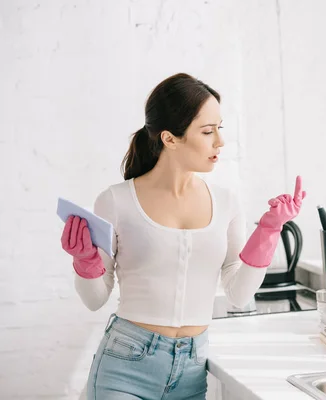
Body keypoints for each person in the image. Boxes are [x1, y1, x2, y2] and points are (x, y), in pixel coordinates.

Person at [60, 73, 306, 399]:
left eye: (220, 128)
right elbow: (94, 299)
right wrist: (85, 261)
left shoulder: (227, 202)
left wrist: (269, 230)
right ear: (170, 138)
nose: (220, 141)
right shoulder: (116, 200)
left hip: (190, 372)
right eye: (207, 131)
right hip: (124, 367)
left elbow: (239, 294)